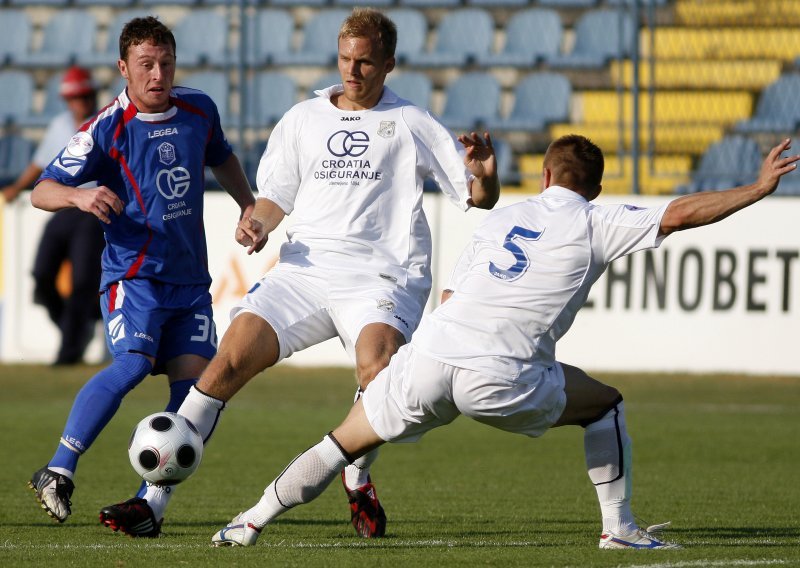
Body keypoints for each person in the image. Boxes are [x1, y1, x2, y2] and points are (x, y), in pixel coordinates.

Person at [207, 134, 799, 549]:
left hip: (432, 358)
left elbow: (448, 299)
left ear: (544, 177)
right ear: (594, 188)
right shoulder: (596, 221)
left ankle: (250, 521)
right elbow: (680, 214)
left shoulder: (501, 219)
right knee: (606, 404)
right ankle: (618, 529)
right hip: (502, 375)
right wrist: (757, 187)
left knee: (340, 441)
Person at [145, 7, 499, 539]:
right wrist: (256, 226)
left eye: (365, 62)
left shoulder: (412, 123)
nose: (352, 71)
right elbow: (273, 200)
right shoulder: (303, 119)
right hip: (305, 271)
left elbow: (477, 197)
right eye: (345, 59)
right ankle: (152, 501)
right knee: (226, 363)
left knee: (377, 371)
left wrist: (486, 176)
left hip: (383, 276)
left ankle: (356, 473)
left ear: (389, 64)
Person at [26, 16, 256, 538]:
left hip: (190, 283)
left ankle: (148, 504)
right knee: (132, 365)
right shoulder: (106, 128)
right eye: (146, 65)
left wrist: (249, 206)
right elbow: (43, 190)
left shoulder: (199, 109)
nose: (158, 75)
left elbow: (222, 157)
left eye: (166, 63)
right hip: (136, 278)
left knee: (197, 394)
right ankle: (58, 469)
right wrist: (80, 195)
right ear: (124, 68)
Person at [1, 66, 106, 365]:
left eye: (84, 96)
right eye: (74, 97)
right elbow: (40, 163)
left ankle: (68, 354)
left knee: (83, 281)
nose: (80, 102)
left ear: (92, 95)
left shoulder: (105, 122)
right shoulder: (59, 125)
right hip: (63, 204)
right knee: (42, 275)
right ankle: (76, 329)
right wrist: (18, 187)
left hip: (90, 207)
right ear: (66, 100)